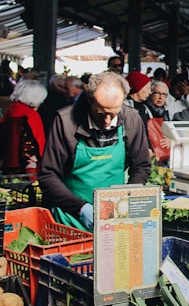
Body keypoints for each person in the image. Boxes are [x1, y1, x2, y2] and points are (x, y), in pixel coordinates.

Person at [38, 71, 151, 231]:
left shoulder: (131, 119)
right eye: (101, 113)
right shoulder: (65, 121)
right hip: (70, 220)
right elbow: (48, 175)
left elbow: (141, 167)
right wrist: (81, 208)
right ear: (90, 100)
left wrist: (126, 199)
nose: (106, 120)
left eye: (113, 113)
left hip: (115, 218)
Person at [0, 78, 47, 179]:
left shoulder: (11, 110)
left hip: (8, 165)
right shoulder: (30, 115)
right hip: (26, 169)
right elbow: (33, 144)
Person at [144, 80, 172, 163]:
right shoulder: (144, 110)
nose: (161, 97)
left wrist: (171, 139)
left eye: (164, 94)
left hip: (165, 154)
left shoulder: (166, 112)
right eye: (157, 93)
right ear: (150, 93)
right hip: (150, 153)